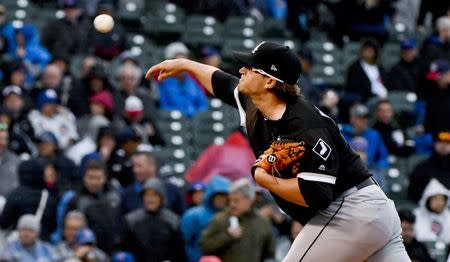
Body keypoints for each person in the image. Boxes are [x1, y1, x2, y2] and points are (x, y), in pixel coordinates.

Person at [145, 40, 410, 261]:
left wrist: (264, 179)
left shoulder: (305, 125)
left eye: (250, 68)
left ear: (270, 82)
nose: (242, 70)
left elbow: (317, 195)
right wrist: (185, 65)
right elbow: (222, 83)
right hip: (375, 214)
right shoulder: (256, 102)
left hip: (351, 209)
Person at [199, 178, 275, 262]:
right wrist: (227, 236)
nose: (232, 204)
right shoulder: (220, 219)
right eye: (230, 200)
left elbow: (270, 254)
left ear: (249, 200)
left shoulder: (262, 222)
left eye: (236, 201)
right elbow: (204, 246)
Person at [121, 177, 186, 261]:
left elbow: (180, 253)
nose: (150, 199)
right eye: (147, 195)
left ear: (161, 197)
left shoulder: (173, 221)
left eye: (154, 195)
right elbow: (124, 250)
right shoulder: (131, 221)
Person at [181, 175, 231, 262]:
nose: (221, 200)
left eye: (224, 197)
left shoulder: (231, 215)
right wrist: (196, 259)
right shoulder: (193, 215)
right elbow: (185, 242)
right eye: (218, 196)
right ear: (211, 196)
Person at [413, 178, 450, 244]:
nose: (440, 203)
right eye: (436, 199)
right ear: (427, 200)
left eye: (442, 199)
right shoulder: (416, 215)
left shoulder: (448, 216)